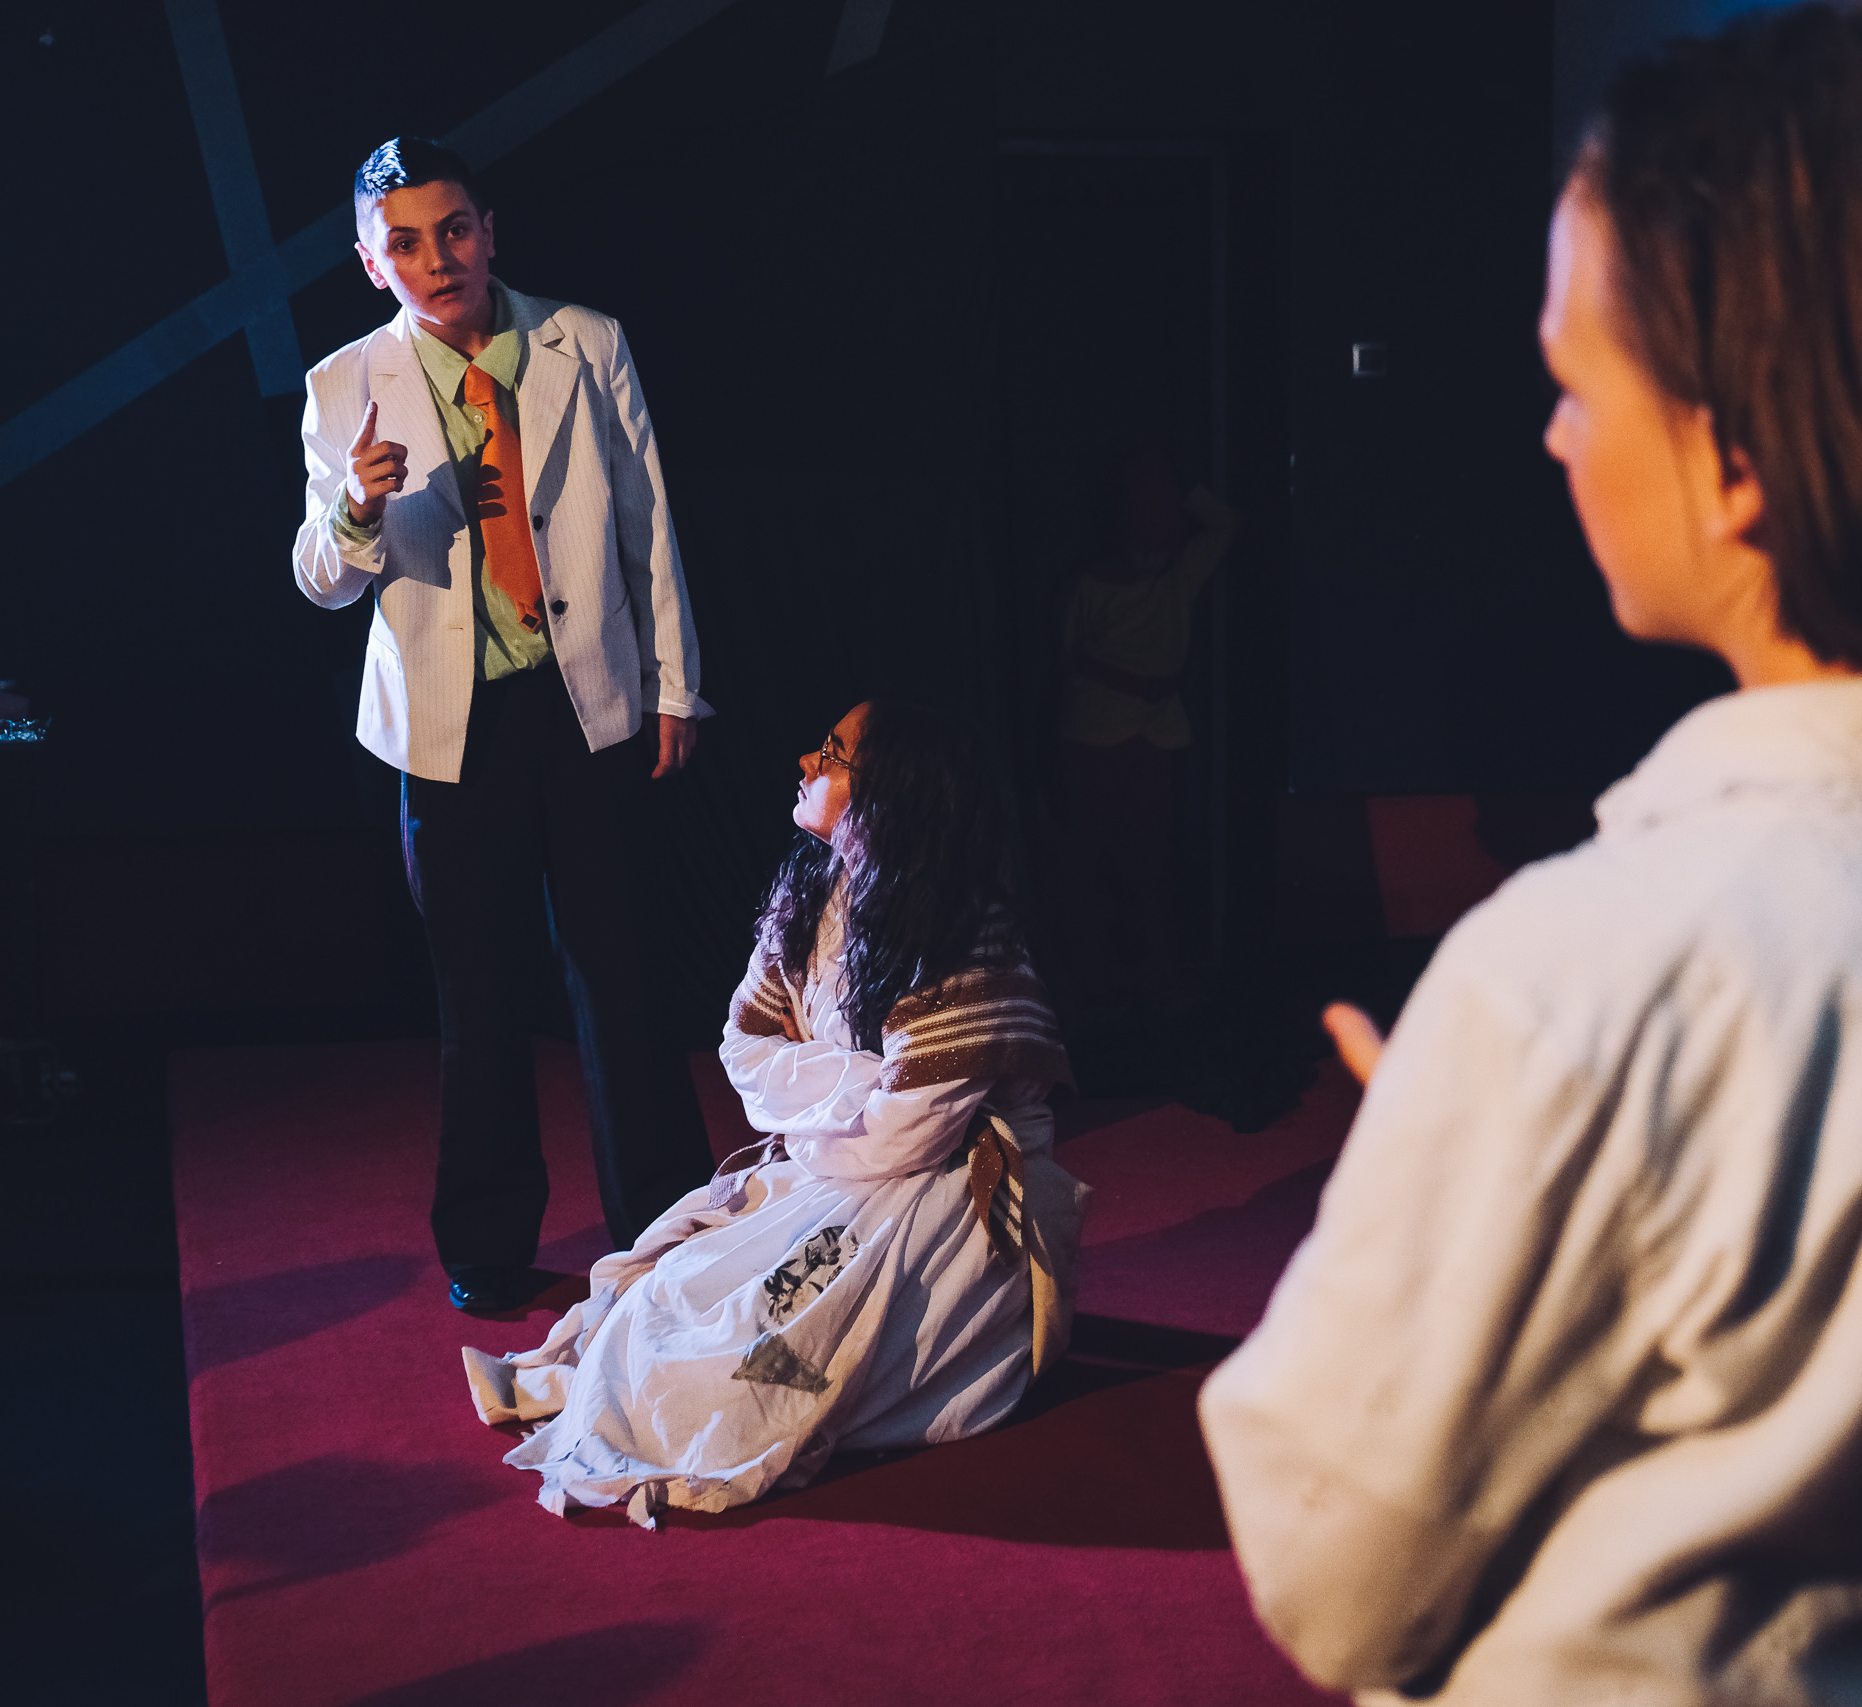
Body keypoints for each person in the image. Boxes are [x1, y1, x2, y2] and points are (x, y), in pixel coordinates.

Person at [1200, 7, 1862, 1706]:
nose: (1552, 435)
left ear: (1738, 461)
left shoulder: (1580, 975)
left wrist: (1446, 1169)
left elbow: (1336, 1579)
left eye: (1575, 380)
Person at [462, 701, 1089, 1528]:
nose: (804, 762)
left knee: (763, 1348)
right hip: (837, 1169)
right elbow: (744, 1048)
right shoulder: (811, 894)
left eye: (832, 755)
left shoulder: (964, 938)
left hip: (939, 1201)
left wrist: (811, 1117)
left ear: (892, 796)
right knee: (669, 1290)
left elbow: (906, 1136)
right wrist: (857, 1083)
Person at [292, 137, 718, 1313]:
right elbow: (319, 580)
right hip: (447, 730)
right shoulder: (342, 385)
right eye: (406, 243)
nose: (438, 260)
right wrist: (358, 503)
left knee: (620, 975)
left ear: (489, 230)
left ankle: (665, 1220)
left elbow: (646, 520)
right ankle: (485, 1242)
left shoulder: (586, 339)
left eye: (455, 230)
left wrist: (675, 684)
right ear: (371, 263)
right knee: (473, 996)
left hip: (583, 702)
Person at [1053, 450, 1235, 1008]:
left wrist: (1182, 488)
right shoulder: (1091, 585)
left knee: (1151, 858)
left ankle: (1151, 973)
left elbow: (1226, 524)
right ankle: (1094, 978)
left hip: (1156, 733)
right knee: (1090, 858)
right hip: (1094, 734)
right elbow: (1066, 658)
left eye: (1164, 506)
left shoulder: (1178, 576)